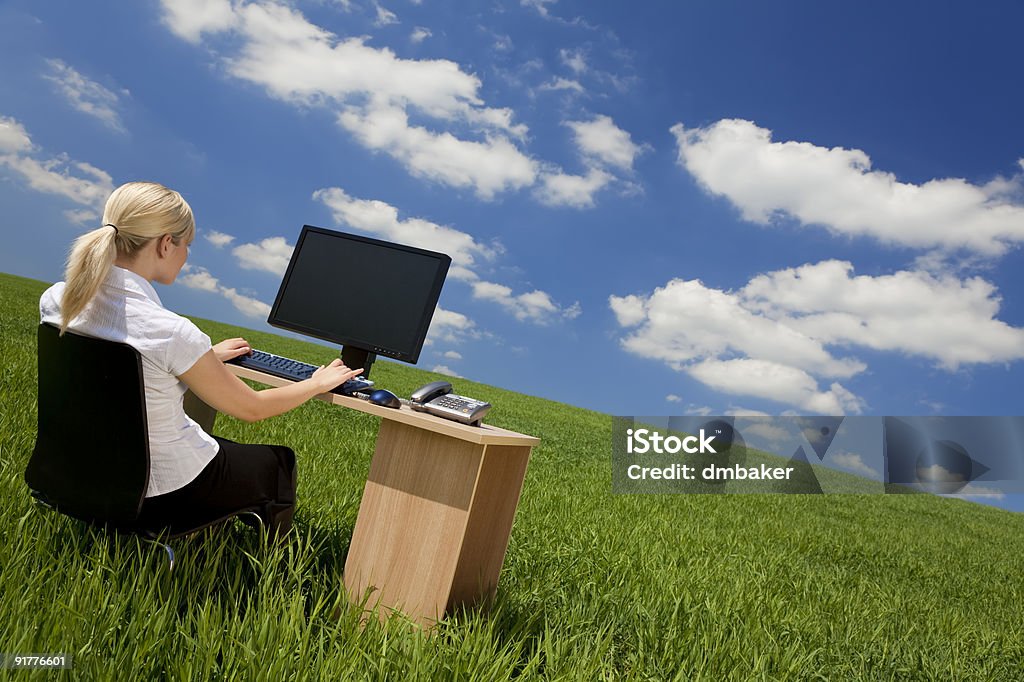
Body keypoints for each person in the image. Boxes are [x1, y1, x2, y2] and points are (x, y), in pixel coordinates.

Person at [39, 181, 362, 536]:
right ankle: (271, 567)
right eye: (186, 245)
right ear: (165, 244)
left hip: (76, 476)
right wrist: (314, 383)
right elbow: (252, 409)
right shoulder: (171, 333)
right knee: (276, 463)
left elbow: (127, 367)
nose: (187, 255)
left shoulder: (57, 301)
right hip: (159, 496)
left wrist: (202, 358)